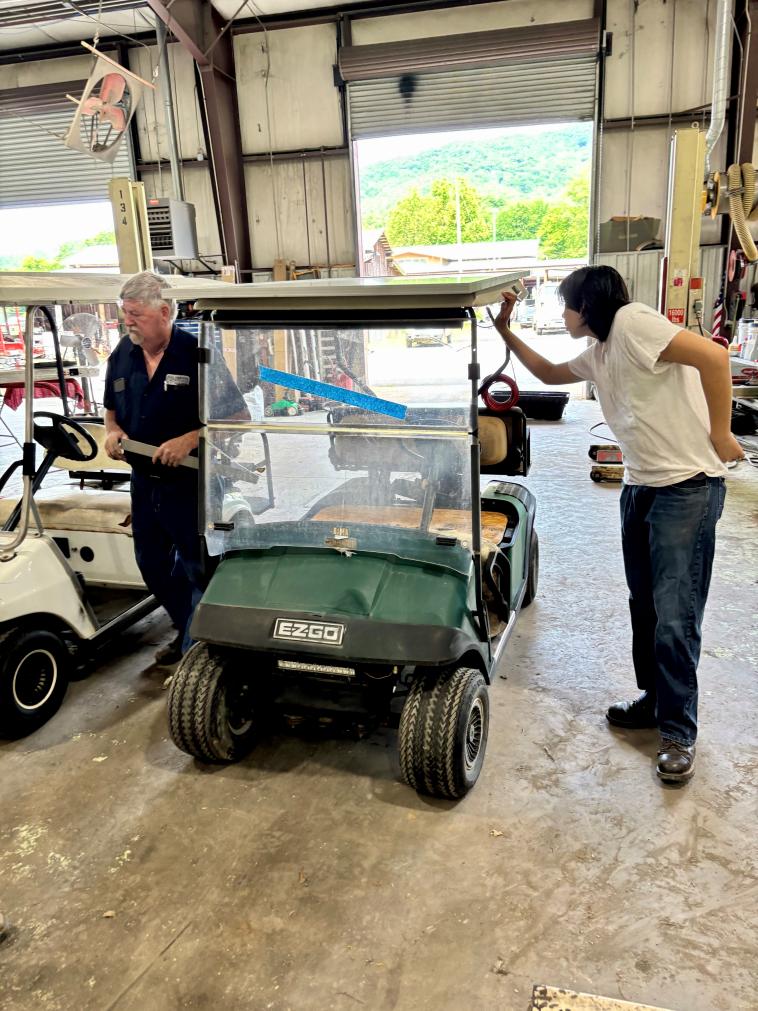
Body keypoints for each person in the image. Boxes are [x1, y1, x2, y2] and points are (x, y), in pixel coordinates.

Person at [494, 266, 745, 784]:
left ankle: (678, 733)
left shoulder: (631, 323)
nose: (561, 314)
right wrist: (503, 329)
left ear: (587, 305)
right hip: (641, 486)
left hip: (687, 486)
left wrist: (721, 432)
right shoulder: (603, 349)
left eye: (565, 305)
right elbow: (546, 374)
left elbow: (714, 356)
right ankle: (655, 701)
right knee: (645, 605)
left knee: (675, 614)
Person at [104, 271, 247, 665]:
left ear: (164, 311)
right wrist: (112, 432)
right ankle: (189, 628)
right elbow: (111, 413)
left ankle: (201, 653)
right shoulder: (122, 353)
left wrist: (190, 438)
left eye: (135, 314)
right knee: (150, 563)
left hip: (192, 482)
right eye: (124, 314)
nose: (127, 321)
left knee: (199, 566)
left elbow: (237, 415)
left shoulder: (195, 352)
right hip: (143, 481)